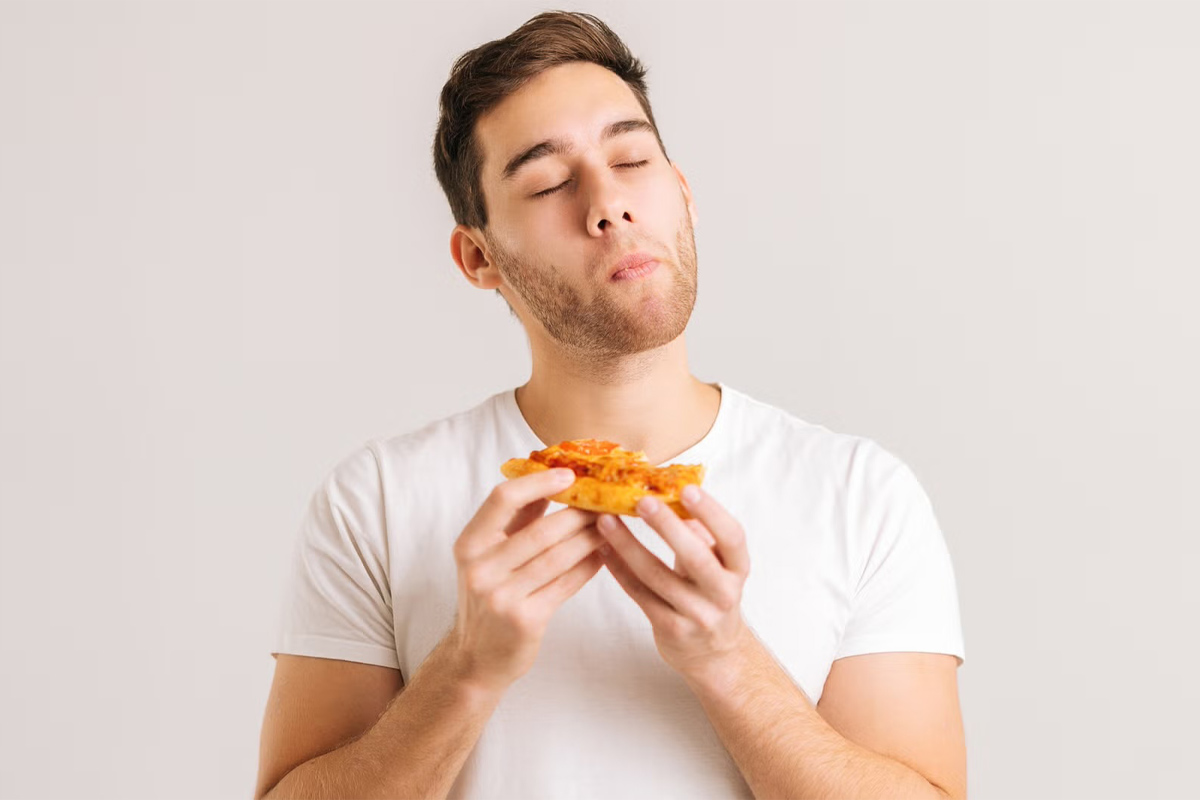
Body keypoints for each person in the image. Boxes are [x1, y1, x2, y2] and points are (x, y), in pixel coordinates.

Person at [255, 10, 967, 799]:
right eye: (550, 182)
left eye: (632, 158)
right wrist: (465, 671)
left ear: (684, 195)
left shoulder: (863, 496)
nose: (608, 205)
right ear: (479, 258)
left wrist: (726, 659)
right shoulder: (377, 502)